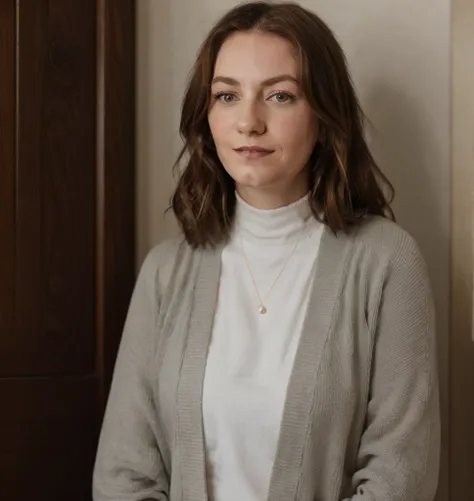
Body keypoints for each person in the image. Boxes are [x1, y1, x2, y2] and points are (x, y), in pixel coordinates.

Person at [92, 2, 440, 500]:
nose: (249, 122)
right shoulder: (165, 271)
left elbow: (399, 476)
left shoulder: (387, 263)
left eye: (279, 95)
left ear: (323, 115)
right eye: (227, 95)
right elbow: (123, 475)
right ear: (205, 116)